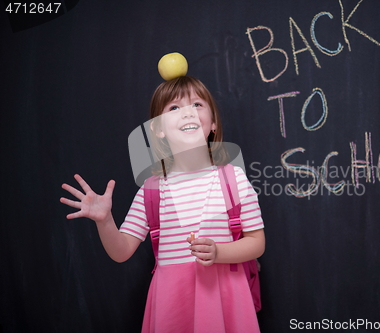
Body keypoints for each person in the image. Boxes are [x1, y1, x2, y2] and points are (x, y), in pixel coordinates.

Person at [60, 76, 265, 332]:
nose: (188, 113)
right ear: (158, 129)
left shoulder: (233, 178)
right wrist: (105, 220)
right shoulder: (152, 190)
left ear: (212, 123)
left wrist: (219, 253)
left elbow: (257, 243)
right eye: (174, 108)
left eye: (197, 104)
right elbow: (121, 251)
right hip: (172, 304)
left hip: (224, 299)